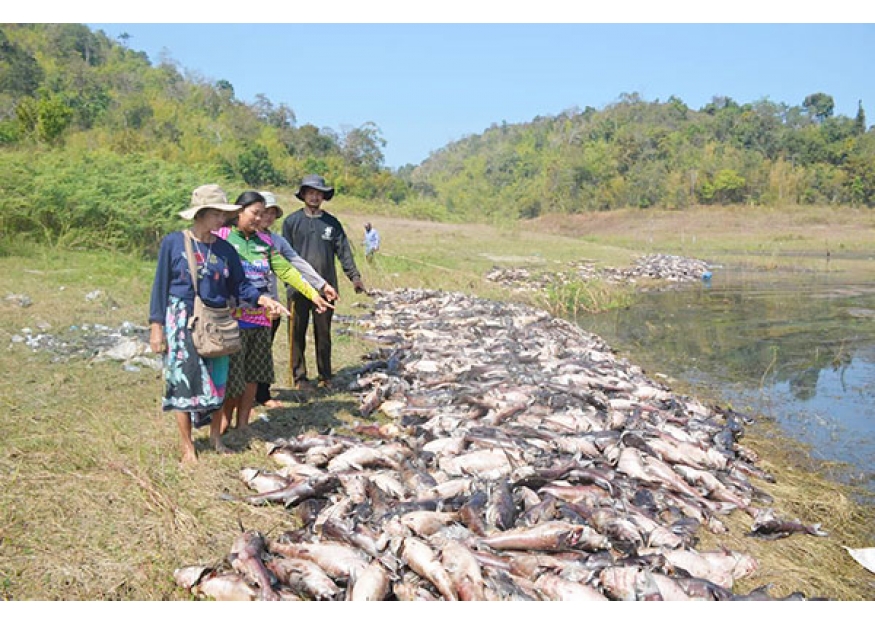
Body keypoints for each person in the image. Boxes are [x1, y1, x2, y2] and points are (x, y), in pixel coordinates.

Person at [148, 184, 290, 464]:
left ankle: (215, 437)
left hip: (219, 320)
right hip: (182, 319)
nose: (221, 220)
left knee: (217, 381)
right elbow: (160, 287)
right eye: (216, 214)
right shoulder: (174, 243)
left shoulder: (224, 249)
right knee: (183, 381)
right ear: (201, 214)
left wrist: (264, 299)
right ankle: (187, 446)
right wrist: (156, 327)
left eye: (223, 214)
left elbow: (240, 285)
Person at [215, 191, 334, 431]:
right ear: (239, 211)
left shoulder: (265, 244)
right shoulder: (224, 238)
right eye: (255, 214)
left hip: (260, 319)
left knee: (252, 376)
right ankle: (223, 420)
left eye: (263, 214)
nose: (259, 219)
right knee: (232, 377)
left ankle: (244, 423)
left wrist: (314, 294)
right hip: (231, 320)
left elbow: (288, 270)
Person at [255, 190, 338, 407]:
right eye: (264, 212)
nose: (268, 217)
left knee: (263, 351)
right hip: (243, 306)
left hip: (270, 305)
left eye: (273, 213)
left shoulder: (274, 242)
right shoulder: (231, 237)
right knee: (242, 354)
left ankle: (260, 395)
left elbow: (295, 264)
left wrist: (320, 286)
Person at [282, 174, 365, 390]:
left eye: (319, 193)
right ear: (303, 195)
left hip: (326, 289)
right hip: (298, 287)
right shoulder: (291, 222)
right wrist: (289, 285)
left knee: (324, 333)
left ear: (323, 197)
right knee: (296, 332)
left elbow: (344, 252)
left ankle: (325, 376)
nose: (314, 196)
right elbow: (282, 256)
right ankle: (299, 377)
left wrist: (354, 277)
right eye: (310, 192)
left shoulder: (332, 224)